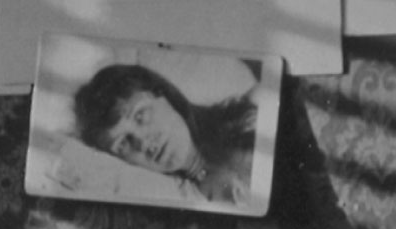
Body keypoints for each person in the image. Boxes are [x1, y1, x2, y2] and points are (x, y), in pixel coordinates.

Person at [72, 63, 257, 206]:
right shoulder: (178, 198)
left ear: (163, 96)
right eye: (123, 143)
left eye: (140, 116)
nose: (142, 142)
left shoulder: (249, 117)